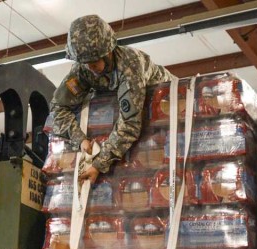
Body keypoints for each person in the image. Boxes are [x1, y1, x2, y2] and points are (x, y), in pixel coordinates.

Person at [51, 14, 172, 184]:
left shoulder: (130, 66)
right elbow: (58, 107)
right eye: (83, 62)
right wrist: (81, 140)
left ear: (108, 52)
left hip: (167, 105)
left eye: (93, 61)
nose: (89, 68)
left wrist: (99, 164)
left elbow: (130, 124)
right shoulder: (83, 69)